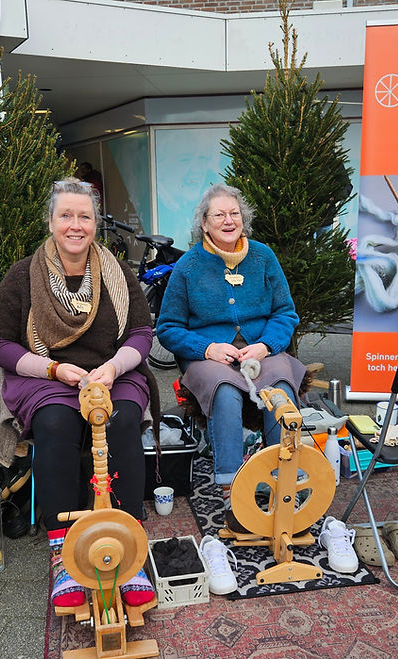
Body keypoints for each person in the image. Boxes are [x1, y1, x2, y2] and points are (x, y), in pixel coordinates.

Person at [0, 178, 157, 610]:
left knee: (122, 420)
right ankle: (63, 553)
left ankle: (129, 548)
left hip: (111, 373)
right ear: (50, 221)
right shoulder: (23, 275)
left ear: (96, 224)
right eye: (66, 215)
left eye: (85, 216)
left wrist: (113, 368)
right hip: (46, 377)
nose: (75, 225)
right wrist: (55, 369)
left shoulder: (118, 274)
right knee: (55, 423)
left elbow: (141, 333)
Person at [156, 183, 306, 531]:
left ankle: (284, 482)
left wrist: (266, 345)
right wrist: (206, 348)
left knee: (281, 388)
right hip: (209, 356)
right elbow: (167, 327)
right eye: (219, 215)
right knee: (224, 391)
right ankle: (233, 490)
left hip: (261, 350)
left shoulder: (263, 257)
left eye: (234, 213)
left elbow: (285, 313)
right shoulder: (188, 266)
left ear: (243, 219)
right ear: (204, 223)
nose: (228, 220)